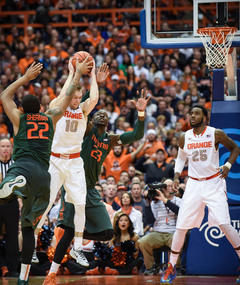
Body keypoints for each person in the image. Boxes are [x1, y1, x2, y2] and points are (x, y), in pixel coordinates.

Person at [43, 89, 149, 284]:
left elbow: (136, 134)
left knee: (107, 232)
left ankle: (78, 233)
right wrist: (89, 90)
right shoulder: (86, 129)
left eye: (105, 114)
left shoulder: (110, 139)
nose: (101, 114)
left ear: (108, 122)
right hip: (74, 184)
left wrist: (141, 113)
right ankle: (52, 273)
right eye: (97, 113)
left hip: (91, 189)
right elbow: (81, 108)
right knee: (67, 233)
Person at [0, 59, 91, 284]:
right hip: (44, 175)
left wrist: (25, 78)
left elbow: (4, 96)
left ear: (22, 109)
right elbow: (68, 96)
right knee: (28, 226)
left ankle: (12, 183)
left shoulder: (19, 119)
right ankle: (23, 278)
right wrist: (77, 74)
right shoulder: (50, 119)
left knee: (12, 177)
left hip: (24, 168)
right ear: (41, 109)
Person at [160, 105, 240, 284]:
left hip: (214, 182)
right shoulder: (184, 137)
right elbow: (181, 158)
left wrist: (227, 166)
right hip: (194, 184)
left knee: (224, 224)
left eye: (196, 113)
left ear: (205, 117)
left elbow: (235, 148)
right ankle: (171, 268)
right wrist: (175, 176)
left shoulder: (215, 133)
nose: (192, 116)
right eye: (191, 114)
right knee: (181, 226)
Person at [34, 57, 102, 269]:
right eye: (75, 97)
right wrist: (74, 72)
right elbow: (64, 93)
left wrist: (92, 77)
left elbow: (95, 99)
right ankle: (33, 245)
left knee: (80, 205)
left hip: (74, 163)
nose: (78, 100)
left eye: (80, 97)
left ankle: (78, 247)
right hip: (55, 161)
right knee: (45, 204)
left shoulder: (82, 111)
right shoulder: (58, 106)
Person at [139, 179, 181, 276]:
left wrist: (165, 200)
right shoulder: (155, 202)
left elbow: (179, 212)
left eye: (170, 185)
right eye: (165, 186)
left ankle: (175, 267)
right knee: (143, 241)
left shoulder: (179, 201)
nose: (168, 188)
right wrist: (147, 202)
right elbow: (150, 220)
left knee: (177, 240)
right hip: (158, 233)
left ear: (175, 187)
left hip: (173, 233)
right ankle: (150, 268)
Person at [0, 137, 19, 277]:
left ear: (11, 149)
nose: (5, 149)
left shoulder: (16, 165)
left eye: (8, 146)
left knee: (13, 236)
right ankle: (2, 266)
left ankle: (13, 268)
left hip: (11, 202)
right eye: (2, 146)